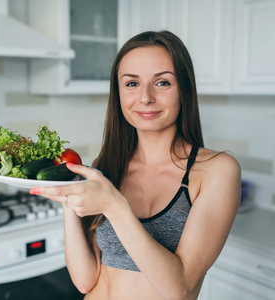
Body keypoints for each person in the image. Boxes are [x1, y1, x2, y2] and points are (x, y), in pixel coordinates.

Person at [29, 30, 241, 300]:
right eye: (131, 84)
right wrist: (67, 199)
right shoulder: (107, 166)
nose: (145, 98)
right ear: (118, 92)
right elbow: (85, 280)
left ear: (184, 89)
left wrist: (113, 205)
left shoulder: (216, 171)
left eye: (162, 83)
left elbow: (179, 288)